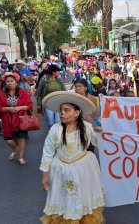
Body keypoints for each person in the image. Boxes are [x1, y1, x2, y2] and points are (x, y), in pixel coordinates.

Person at [40, 91, 105, 224]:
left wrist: (101, 132)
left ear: (77, 113)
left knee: (82, 195)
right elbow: (47, 151)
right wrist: (44, 174)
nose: (62, 113)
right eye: (61, 110)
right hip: (60, 170)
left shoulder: (86, 127)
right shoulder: (55, 130)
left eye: (66, 110)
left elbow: (97, 142)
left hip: (83, 168)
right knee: (64, 197)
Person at [0, 72, 33, 165]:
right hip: (7, 120)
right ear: (5, 83)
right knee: (9, 141)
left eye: (12, 81)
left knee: (21, 139)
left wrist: (19, 108)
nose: (9, 83)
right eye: (7, 81)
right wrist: (8, 108)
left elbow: (29, 105)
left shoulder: (22, 92)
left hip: (20, 119)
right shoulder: (2, 93)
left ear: (16, 82)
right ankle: (16, 149)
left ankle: (21, 157)